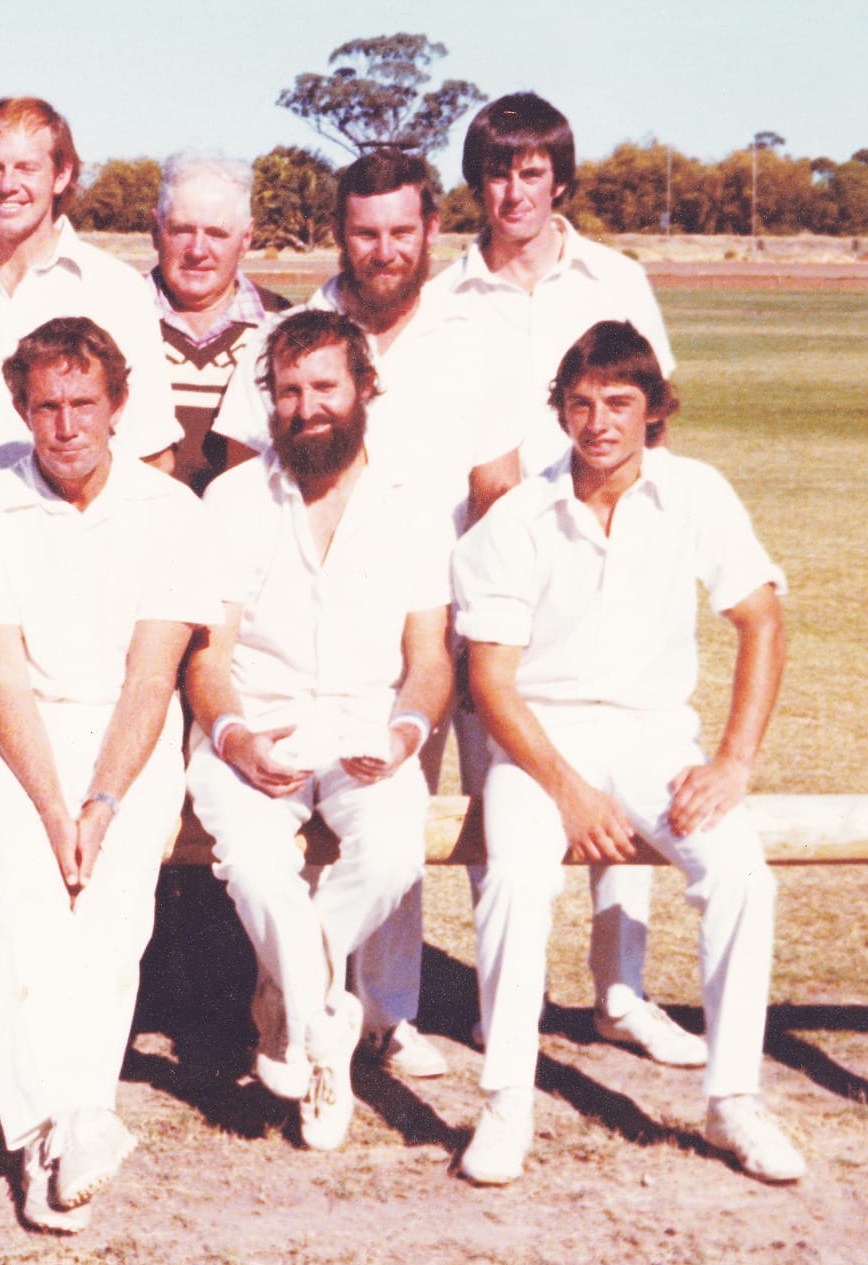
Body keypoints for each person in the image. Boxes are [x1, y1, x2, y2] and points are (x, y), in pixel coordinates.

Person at [454, 320, 803, 1186]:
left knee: (740, 871)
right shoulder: (519, 517)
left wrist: (733, 763)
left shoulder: (697, 492)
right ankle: (505, 1104)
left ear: (655, 410)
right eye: (580, 404)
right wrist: (568, 791)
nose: (599, 422)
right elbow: (493, 681)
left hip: (656, 736)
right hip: (539, 742)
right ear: (560, 411)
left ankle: (732, 1104)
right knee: (517, 878)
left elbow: (761, 619)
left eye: (619, 403)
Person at [215, 148, 521, 1082]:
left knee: (393, 817)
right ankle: (324, 1004)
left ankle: (386, 1014)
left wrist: (482, 631)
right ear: (339, 232)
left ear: (431, 230)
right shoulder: (299, 331)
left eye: (400, 231)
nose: (382, 250)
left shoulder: (473, 338)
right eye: (363, 231)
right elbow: (241, 469)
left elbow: (498, 487)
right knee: (319, 825)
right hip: (297, 611)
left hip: (424, 614)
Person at [425, 92, 700, 1068]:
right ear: (476, 181)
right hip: (490, 574)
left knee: (619, 764)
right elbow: (422, 430)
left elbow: (653, 417)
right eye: (497, 171)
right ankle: (508, 998)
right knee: (505, 778)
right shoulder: (440, 296)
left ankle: (619, 991)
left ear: (559, 178)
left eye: (531, 171)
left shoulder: (614, 277)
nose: (514, 190)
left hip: (602, 567)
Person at [0, 317, 216, 1234]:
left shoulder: (171, 509)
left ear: (119, 406)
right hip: (7, 740)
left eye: (84, 404)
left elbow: (152, 676)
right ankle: (56, 1134)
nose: (65, 426)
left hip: (127, 739)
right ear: (22, 407)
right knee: (26, 884)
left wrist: (99, 801)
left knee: (113, 891)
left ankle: (68, 1127)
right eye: (46, 406)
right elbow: (1, 676)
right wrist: (55, 806)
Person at [185, 310, 454, 1152]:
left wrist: (407, 735)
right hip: (254, 727)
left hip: (366, 731)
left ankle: (287, 993)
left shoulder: (412, 502)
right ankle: (326, 1033)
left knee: (393, 852)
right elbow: (207, 658)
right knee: (258, 864)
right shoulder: (231, 498)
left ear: (365, 387)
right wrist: (233, 739)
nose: (307, 408)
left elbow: (430, 658)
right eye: (289, 391)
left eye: (326, 387)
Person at [0, 96, 181, 509]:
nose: (7, 184)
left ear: (62, 176)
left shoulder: (118, 289)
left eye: (27, 168)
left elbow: (152, 453)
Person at [147, 151, 288, 492]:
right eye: (182, 230)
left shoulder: (285, 328)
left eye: (217, 233)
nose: (198, 249)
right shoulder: (114, 317)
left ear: (247, 239)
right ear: (156, 230)